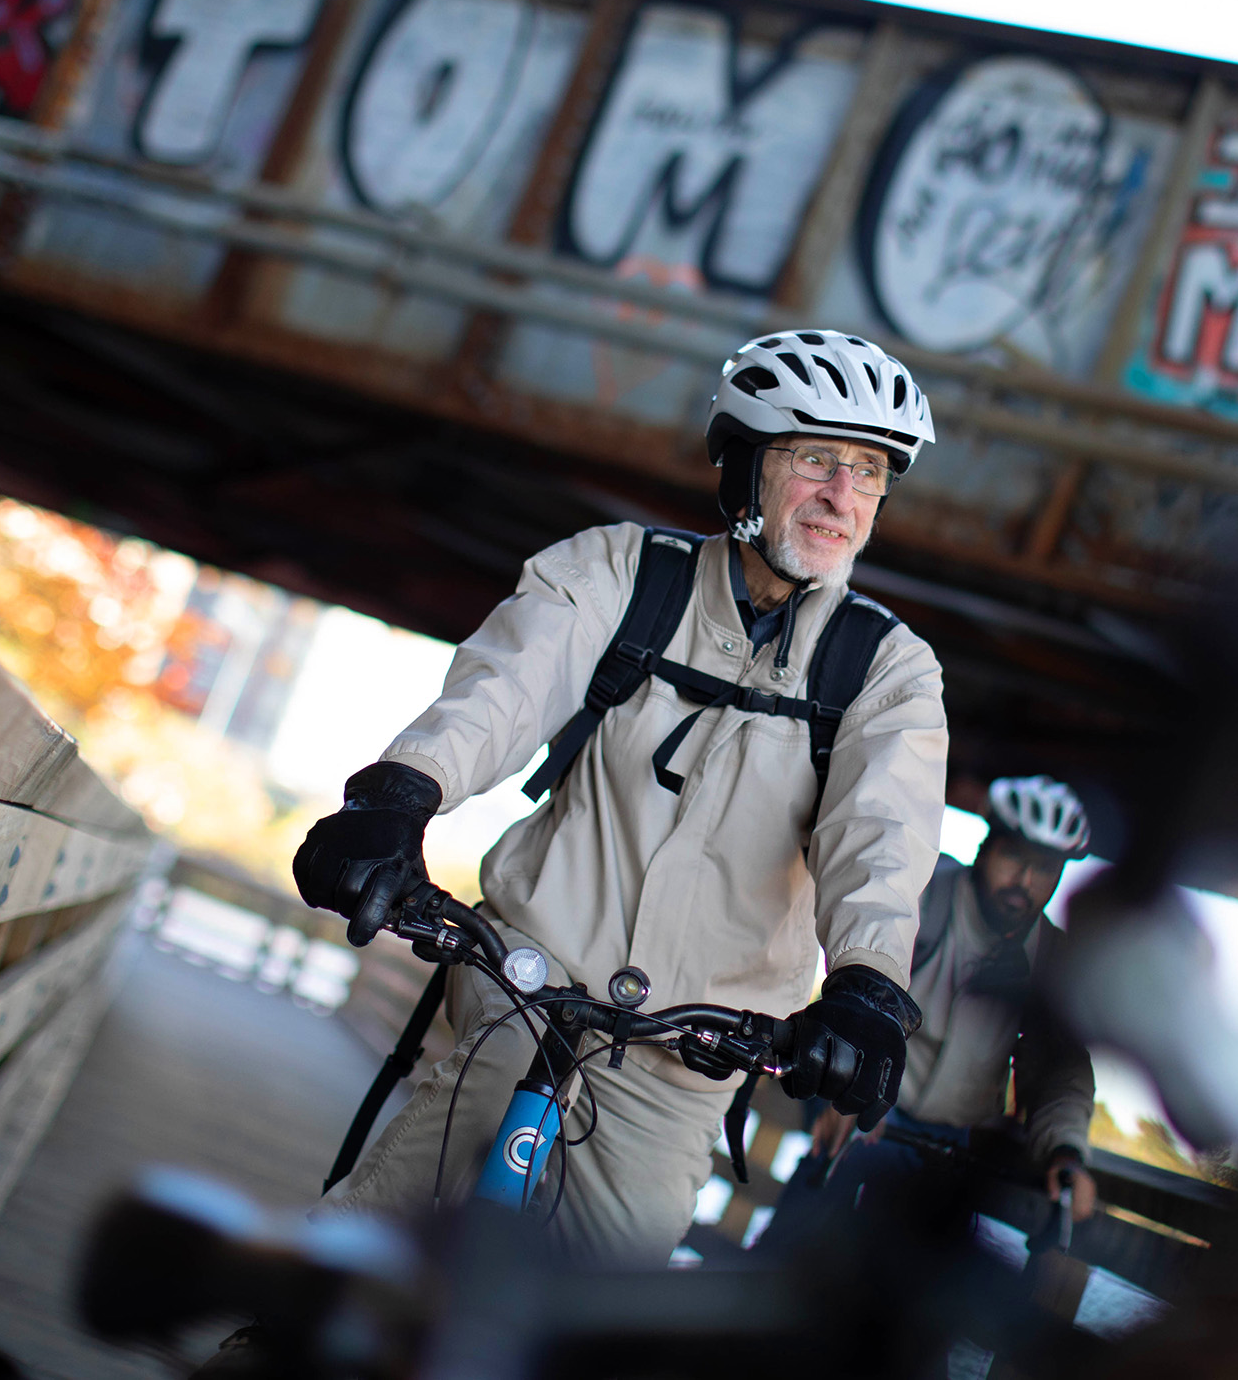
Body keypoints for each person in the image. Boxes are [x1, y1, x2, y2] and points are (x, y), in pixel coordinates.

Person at [289, 329, 947, 1265]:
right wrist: (395, 799)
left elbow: (883, 833)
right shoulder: (620, 573)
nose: (844, 497)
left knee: (595, 1320)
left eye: (872, 471)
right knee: (363, 1246)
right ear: (749, 467)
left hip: (688, 1059)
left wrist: (868, 987)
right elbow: (502, 692)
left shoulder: (885, 669)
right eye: (817, 459)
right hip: (525, 987)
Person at [764, 775, 1100, 1243]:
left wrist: (1066, 1153)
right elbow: (857, 984)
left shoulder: (1051, 963)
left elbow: (1064, 1072)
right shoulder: (920, 891)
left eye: (1044, 869)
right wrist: (845, 1090)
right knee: (797, 1242)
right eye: (1013, 857)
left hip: (952, 1145)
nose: (1024, 882)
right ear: (985, 848)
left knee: (909, 1288)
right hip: (868, 1109)